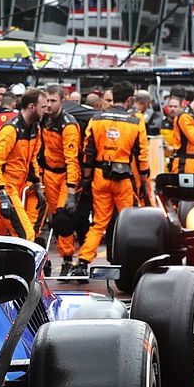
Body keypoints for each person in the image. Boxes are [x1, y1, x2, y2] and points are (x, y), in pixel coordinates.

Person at [71, 81, 149, 277]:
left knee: (99, 222)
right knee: (128, 224)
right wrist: (144, 184)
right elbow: (142, 155)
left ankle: (82, 262)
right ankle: (129, 264)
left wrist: (87, 180)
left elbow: (87, 151)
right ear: (130, 99)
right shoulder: (135, 121)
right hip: (123, 179)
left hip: (99, 175)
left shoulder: (97, 119)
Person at [0, 88, 43, 241]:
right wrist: (2, 193)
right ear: (32, 107)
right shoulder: (11, 130)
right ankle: (25, 264)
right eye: (42, 107)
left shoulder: (34, 129)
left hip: (16, 186)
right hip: (5, 187)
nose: (45, 111)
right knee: (26, 235)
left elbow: (32, 159)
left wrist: (37, 183)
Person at [36, 85, 81, 275]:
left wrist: (71, 191)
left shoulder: (68, 125)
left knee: (63, 218)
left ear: (62, 101)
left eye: (53, 101)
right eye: (46, 101)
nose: (48, 105)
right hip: (48, 174)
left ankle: (68, 259)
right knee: (53, 218)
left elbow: (72, 159)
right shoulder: (43, 120)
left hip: (65, 175)